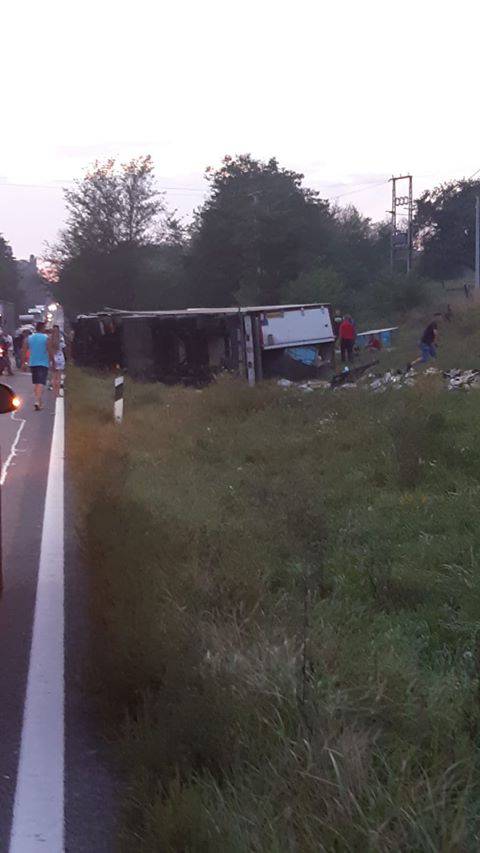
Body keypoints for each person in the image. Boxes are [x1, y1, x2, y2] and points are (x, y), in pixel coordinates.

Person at [22, 322, 50, 410]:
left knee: (37, 383)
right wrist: (53, 360)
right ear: (42, 328)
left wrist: (23, 363)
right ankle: (37, 401)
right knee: (41, 382)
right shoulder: (46, 338)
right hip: (43, 362)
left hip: (33, 363)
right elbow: (49, 349)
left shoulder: (29, 338)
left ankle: (39, 401)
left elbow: (24, 350)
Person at [48, 325, 65, 397]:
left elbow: (49, 350)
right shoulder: (60, 339)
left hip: (53, 358)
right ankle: (57, 392)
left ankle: (54, 392)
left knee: (54, 377)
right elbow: (64, 347)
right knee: (58, 377)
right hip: (60, 357)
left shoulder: (49, 339)